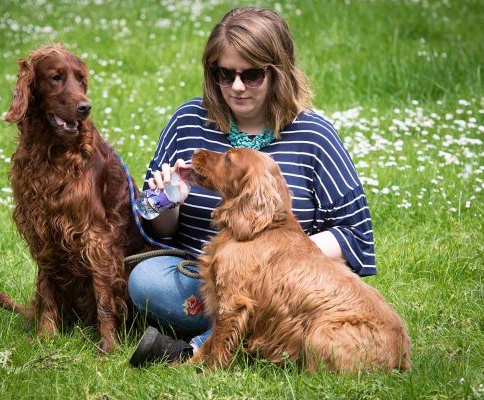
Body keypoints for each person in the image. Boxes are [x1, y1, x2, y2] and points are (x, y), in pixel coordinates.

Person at [127, 7, 375, 367]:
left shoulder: (314, 135)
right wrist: (167, 204)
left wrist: (271, 264)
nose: (237, 86)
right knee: (147, 281)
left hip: (285, 289)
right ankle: (260, 338)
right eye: (225, 74)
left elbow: (356, 236)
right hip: (201, 276)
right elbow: (154, 229)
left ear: (278, 73)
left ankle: (199, 346)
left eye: (252, 74)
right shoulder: (187, 122)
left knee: (264, 297)